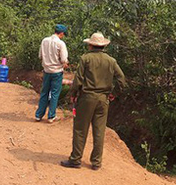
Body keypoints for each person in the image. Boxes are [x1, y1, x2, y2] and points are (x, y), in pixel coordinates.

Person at [61, 32, 125, 170]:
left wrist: (73, 94)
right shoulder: (111, 61)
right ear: (103, 46)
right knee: (99, 130)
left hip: (87, 98)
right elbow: (122, 80)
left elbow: (78, 80)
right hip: (103, 99)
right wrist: (114, 93)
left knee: (80, 129)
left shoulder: (86, 59)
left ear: (90, 45)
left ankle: (76, 159)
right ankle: (96, 162)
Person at [35, 24, 69, 123]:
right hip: (57, 72)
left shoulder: (44, 40)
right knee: (54, 94)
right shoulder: (61, 43)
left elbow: (40, 56)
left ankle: (38, 115)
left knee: (44, 92)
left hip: (46, 71)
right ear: (61, 33)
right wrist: (65, 63)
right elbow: (63, 59)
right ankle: (51, 116)